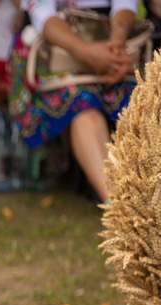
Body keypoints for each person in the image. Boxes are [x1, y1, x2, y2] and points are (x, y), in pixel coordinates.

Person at [9, 0, 137, 203]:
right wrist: (88, 53)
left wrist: (116, 46)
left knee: (142, 102)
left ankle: (127, 207)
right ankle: (121, 210)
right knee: (83, 105)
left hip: (109, 49)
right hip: (53, 55)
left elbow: (126, 4)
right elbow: (42, 14)